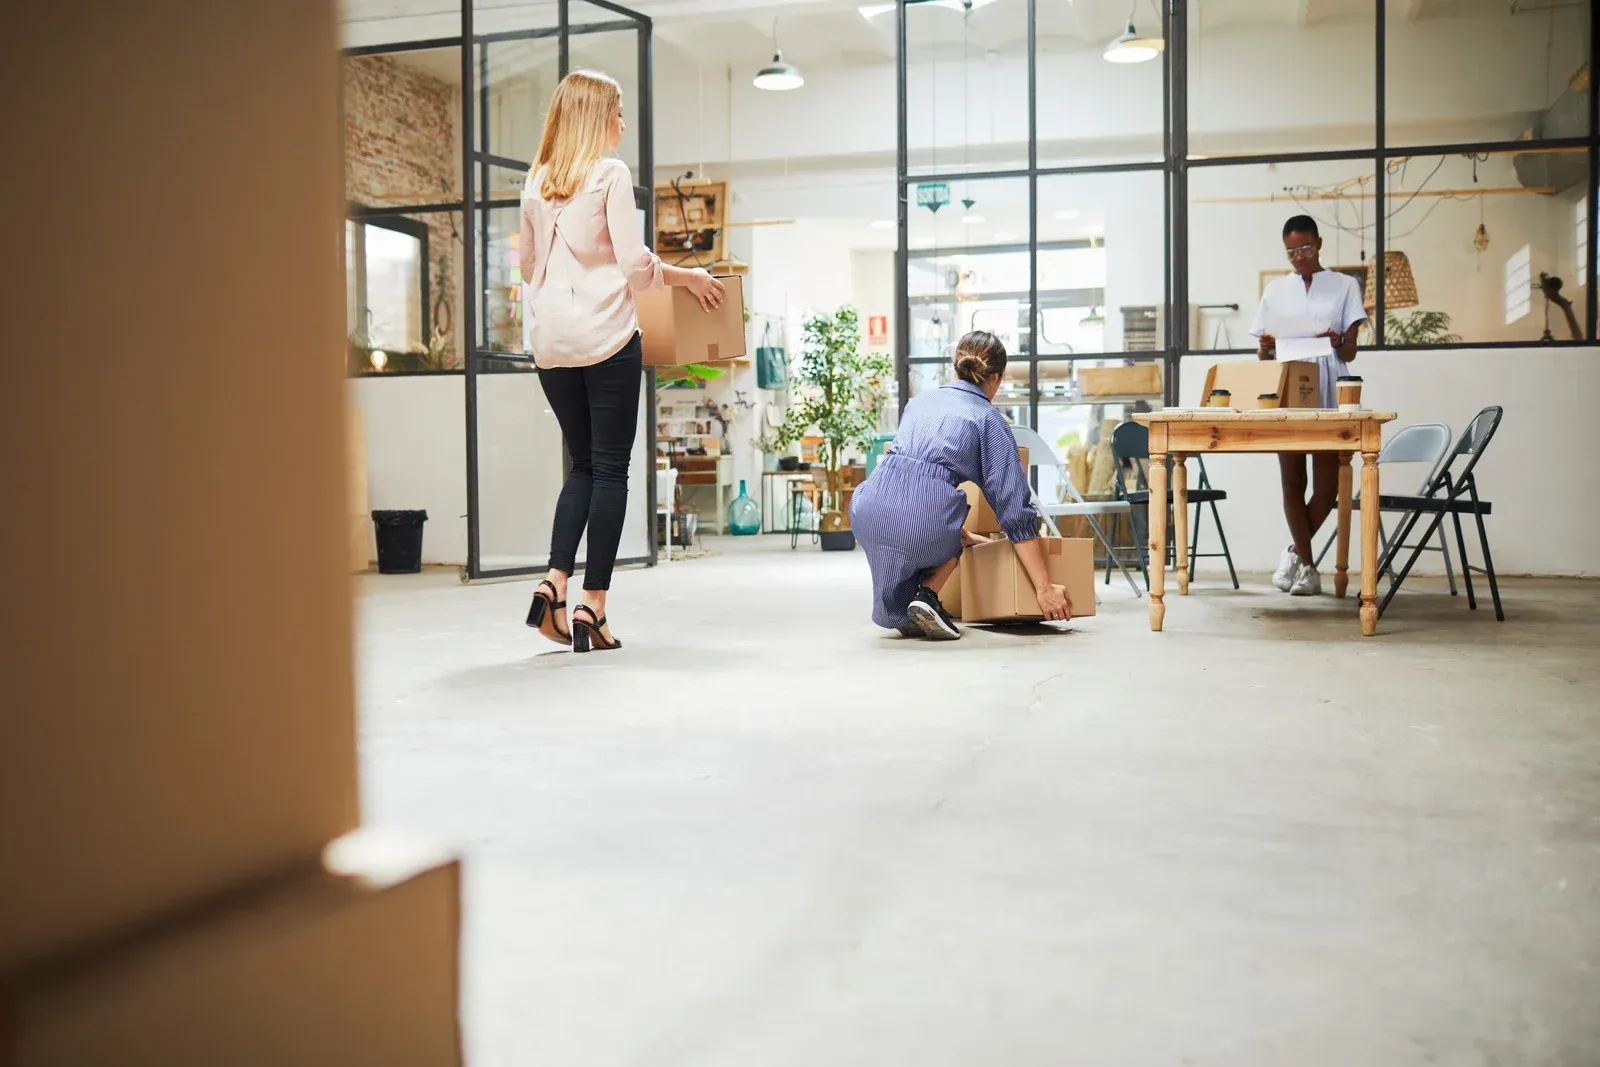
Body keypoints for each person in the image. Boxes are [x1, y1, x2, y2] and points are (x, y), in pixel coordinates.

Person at [519, 70, 724, 653]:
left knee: (581, 466)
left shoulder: (535, 181)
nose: (623, 122)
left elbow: (529, 266)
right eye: (618, 111)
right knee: (610, 470)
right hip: (606, 337)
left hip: (551, 345)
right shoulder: (609, 174)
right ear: (595, 117)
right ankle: (593, 606)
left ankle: (552, 580)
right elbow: (635, 266)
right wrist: (688, 277)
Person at [849, 331, 1071, 640]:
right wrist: (1044, 589)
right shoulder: (987, 419)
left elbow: (908, 472)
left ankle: (909, 605)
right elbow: (1015, 510)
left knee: (930, 530)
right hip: (918, 520)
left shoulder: (919, 403)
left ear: (957, 367)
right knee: (942, 519)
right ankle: (927, 595)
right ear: (997, 377)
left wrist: (958, 531)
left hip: (867, 511)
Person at [1251, 214, 1367, 597]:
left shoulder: (1344, 285)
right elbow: (1265, 354)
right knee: (1291, 480)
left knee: (1327, 486)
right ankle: (1309, 569)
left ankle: (1294, 555)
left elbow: (1351, 350)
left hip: (1330, 382)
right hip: (1289, 381)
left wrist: (1335, 340)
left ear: (1319, 244)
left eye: (1305, 248)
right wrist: (1265, 349)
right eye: (1291, 252)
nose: (1299, 257)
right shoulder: (1275, 290)